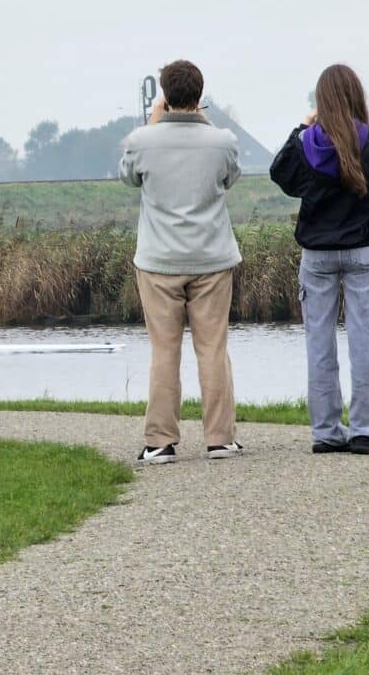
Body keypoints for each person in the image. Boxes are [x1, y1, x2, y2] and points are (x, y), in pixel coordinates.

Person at [119, 59, 243, 464]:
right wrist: (202, 124)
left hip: (158, 261)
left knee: (164, 351)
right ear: (200, 95)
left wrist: (155, 122)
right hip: (211, 257)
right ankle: (220, 438)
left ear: (165, 95)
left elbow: (128, 177)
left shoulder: (141, 140)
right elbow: (230, 177)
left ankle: (160, 441)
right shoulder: (222, 140)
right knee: (212, 348)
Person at [269, 64, 369, 455]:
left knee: (319, 343)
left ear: (320, 102)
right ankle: (364, 431)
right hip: (363, 251)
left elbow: (280, 174)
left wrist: (301, 128)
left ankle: (326, 431)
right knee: (363, 341)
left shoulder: (307, 145)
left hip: (318, 255)